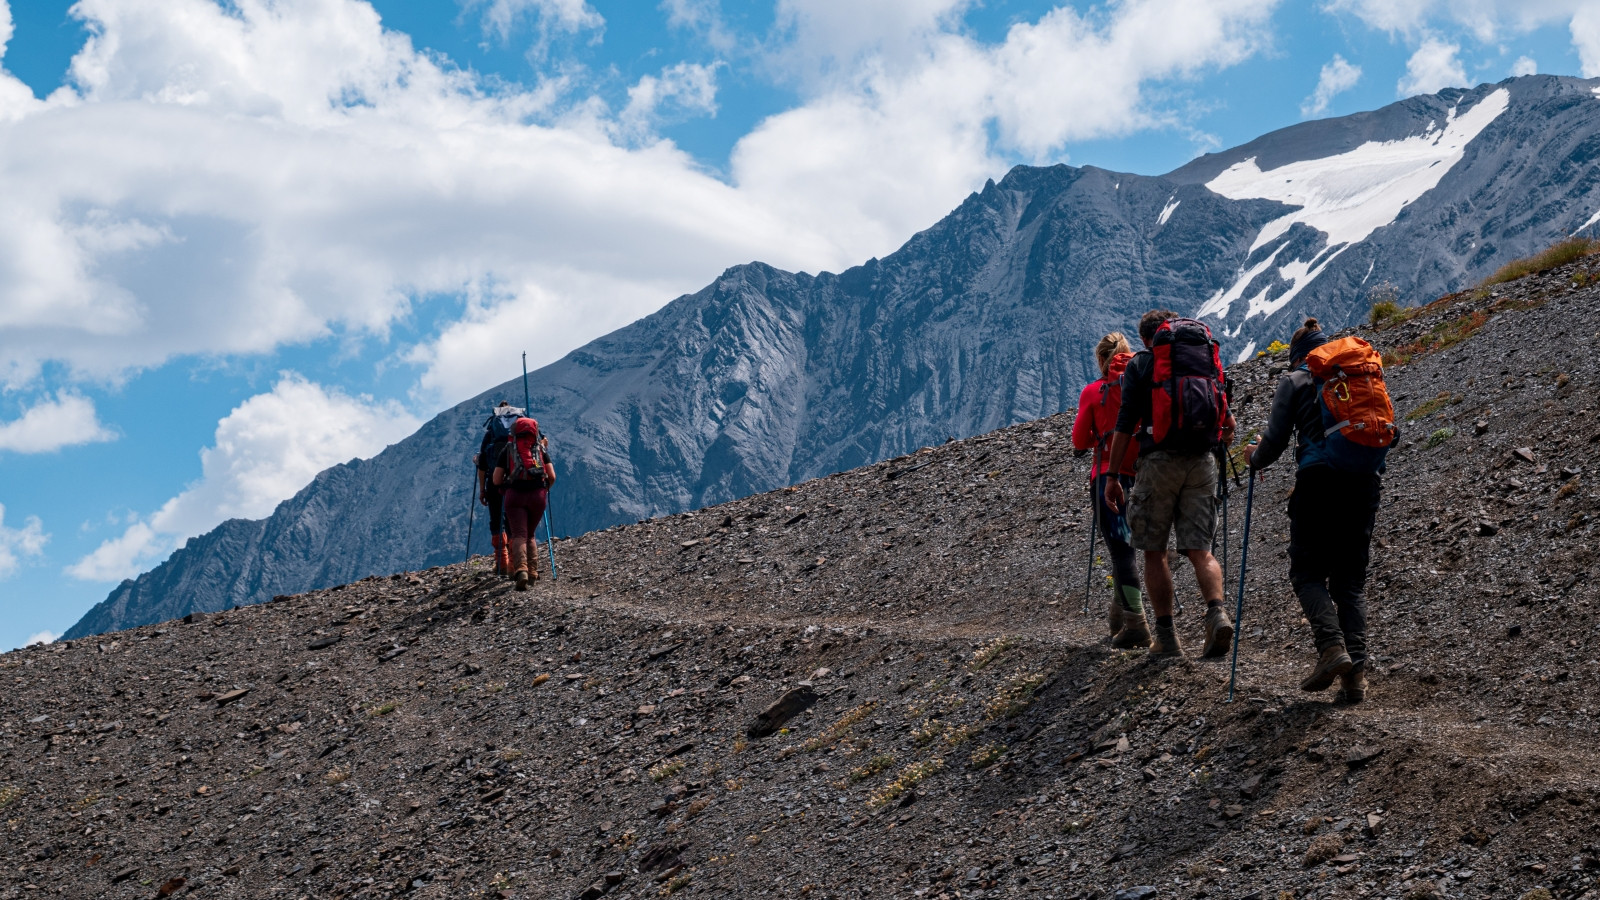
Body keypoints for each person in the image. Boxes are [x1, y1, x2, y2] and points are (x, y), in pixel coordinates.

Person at [1244, 318, 1386, 702]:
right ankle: (1355, 678)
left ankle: (1330, 648)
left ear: (1297, 357)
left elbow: (1272, 446)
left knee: (1307, 573)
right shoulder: (1359, 375)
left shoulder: (1296, 381)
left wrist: (1252, 458)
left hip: (1319, 481)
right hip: (1365, 481)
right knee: (1350, 581)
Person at [1104, 310, 1236, 657]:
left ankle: (1166, 637)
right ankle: (1216, 613)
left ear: (1147, 339)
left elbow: (1125, 422)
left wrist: (1113, 475)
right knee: (1200, 550)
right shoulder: (1203, 360)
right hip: (1202, 461)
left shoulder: (1143, 364)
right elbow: (1229, 423)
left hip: (1158, 461)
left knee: (1153, 550)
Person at [1071, 332, 1150, 648]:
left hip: (1107, 476)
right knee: (1132, 546)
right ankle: (1118, 615)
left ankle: (1137, 624)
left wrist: (1099, 438)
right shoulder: (1143, 386)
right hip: (1145, 472)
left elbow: (1079, 440)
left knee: (1121, 551)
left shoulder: (1093, 392)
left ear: (1102, 360)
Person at [493, 417, 557, 590]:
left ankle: (521, 570)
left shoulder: (508, 449)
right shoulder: (540, 449)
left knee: (519, 534)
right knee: (530, 535)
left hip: (515, 496)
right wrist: (545, 489)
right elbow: (552, 476)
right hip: (538, 496)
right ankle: (533, 572)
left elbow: (496, 479)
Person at [477, 401, 522, 577]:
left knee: (496, 521)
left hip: (494, 482)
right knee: (513, 520)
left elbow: (482, 464)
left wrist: (482, 490)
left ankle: (501, 562)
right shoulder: (522, 431)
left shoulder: (491, 433)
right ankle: (514, 564)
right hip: (518, 481)